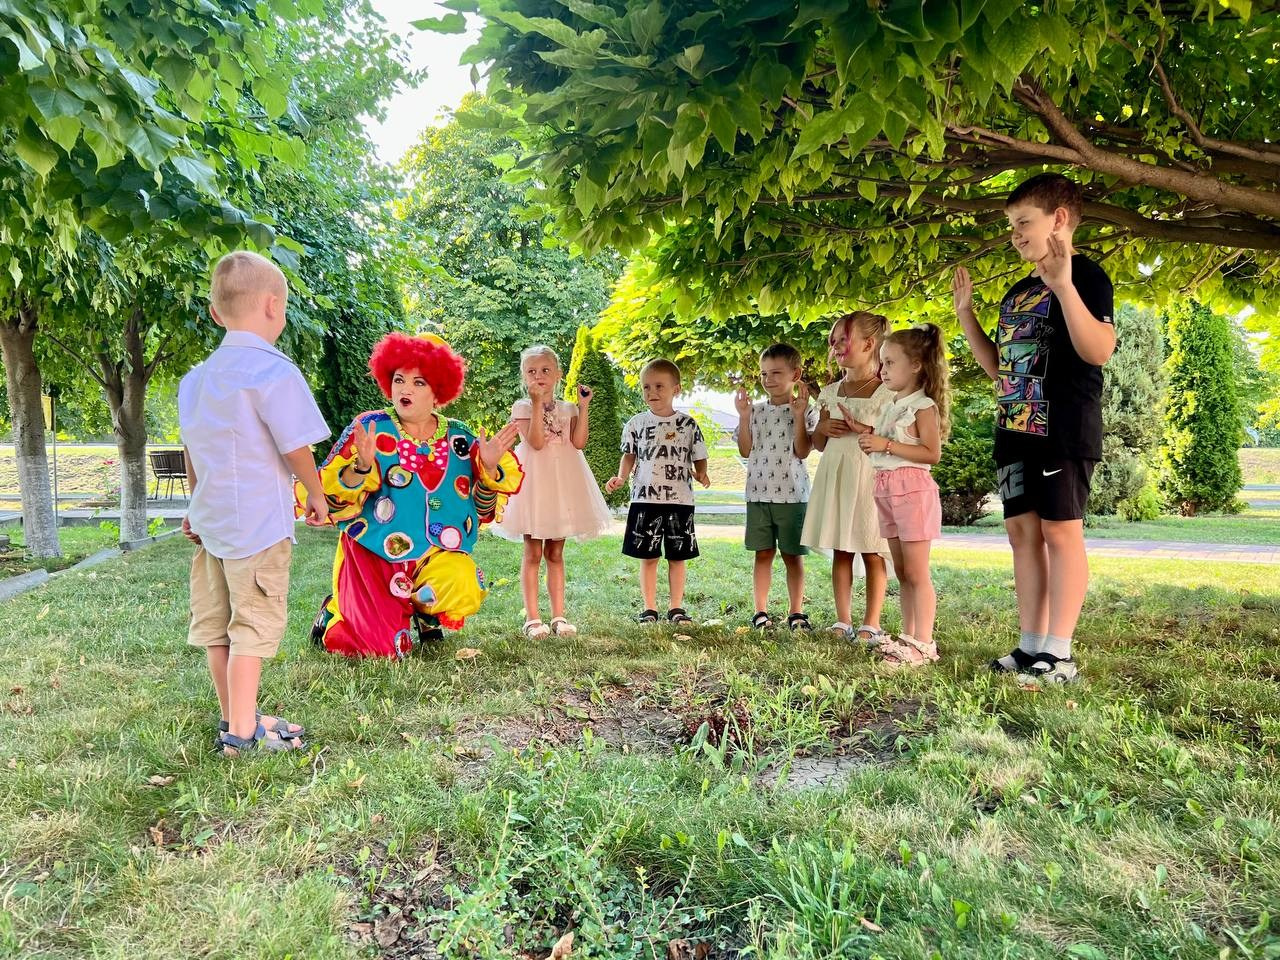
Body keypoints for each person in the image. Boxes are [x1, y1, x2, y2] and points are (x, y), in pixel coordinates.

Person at [952, 172, 1115, 684]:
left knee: (1059, 532)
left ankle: (1060, 653)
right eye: (1011, 225)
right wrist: (966, 319)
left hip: (1063, 430)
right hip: (1014, 430)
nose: (1016, 234)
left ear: (1059, 220)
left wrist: (1063, 287)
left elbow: (1099, 350)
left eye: (1024, 222)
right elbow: (1004, 370)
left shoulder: (1087, 277)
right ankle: (1030, 647)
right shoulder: (1017, 291)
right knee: (1022, 533)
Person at [179, 250, 330, 757]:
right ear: (273, 307)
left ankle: (234, 717)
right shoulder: (274, 372)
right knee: (251, 627)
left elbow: (193, 450)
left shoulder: (195, 379)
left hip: (212, 527)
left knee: (218, 626)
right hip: (258, 528)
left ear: (217, 314)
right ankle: (243, 737)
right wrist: (314, 489)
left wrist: (195, 503)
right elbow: (295, 446)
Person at [302, 332, 523, 658]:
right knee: (380, 651)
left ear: (438, 392)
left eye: (419, 383)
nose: (405, 389)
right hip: (374, 551)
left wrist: (488, 471)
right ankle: (334, 608)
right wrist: (361, 467)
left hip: (433, 552)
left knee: (463, 585)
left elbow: (481, 510)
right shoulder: (371, 427)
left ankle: (425, 612)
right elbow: (337, 498)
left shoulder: (461, 438)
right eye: (399, 379)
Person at [494, 344, 612, 639]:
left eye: (546, 370)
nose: (539, 376)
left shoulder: (567, 408)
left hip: (561, 485)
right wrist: (535, 404)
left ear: (558, 374)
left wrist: (583, 408)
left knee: (556, 553)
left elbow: (579, 442)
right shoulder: (522, 407)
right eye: (532, 371)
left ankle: (559, 615)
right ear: (524, 376)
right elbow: (534, 442)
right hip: (535, 485)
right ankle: (533, 618)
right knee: (533, 551)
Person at [858, 324, 950, 666]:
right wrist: (873, 445)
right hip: (887, 490)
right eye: (881, 363)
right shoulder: (891, 405)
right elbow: (890, 449)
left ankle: (923, 643)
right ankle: (908, 637)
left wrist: (887, 445)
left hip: (913, 491)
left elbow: (931, 454)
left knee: (916, 572)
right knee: (901, 570)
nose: (882, 370)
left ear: (915, 365)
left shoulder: (923, 407)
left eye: (890, 363)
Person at [800, 312, 895, 644]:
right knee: (842, 548)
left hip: (870, 478)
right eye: (834, 340)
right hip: (838, 478)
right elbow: (820, 445)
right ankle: (843, 620)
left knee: (872, 548)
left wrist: (865, 429)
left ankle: (872, 621)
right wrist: (821, 428)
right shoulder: (830, 392)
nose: (836, 345)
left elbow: (893, 437)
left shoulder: (888, 393)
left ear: (869, 344)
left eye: (844, 339)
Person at [605, 359, 710, 624]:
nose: (652, 392)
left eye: (659, 386)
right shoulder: (636, 423)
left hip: (680, 501)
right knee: (648, 556)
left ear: (676, 389)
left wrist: (702, 473)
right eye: (646, 387)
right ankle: (649, 608)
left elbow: (698, 454)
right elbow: (629, 455)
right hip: (645, 499)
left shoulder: (688, 425)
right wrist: (621, 477)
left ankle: (676, 607)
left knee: (678, 556)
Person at [732, 343, 819, 633]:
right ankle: (760, 611)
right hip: (758, 494)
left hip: (793, 495)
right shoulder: (754, 412)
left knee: (792, 556)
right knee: (763, 554)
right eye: (763, 373)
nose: (768, 379)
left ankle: (796, 612)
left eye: (776, 373)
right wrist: (744, 417)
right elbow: (745, 450)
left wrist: (797, 415)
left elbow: (804, 451)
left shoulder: (805, 410)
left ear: (796, 373)